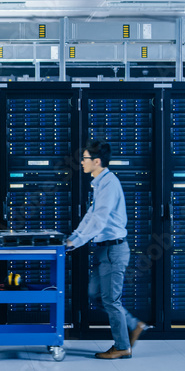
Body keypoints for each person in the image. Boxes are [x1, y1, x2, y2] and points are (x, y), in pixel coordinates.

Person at [66, 139, 149, 359]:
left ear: (96, 161)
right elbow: (90, 217)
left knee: (111, 300)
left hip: (114, 251)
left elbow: (100, 220)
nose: (81, 162)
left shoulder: (109, 184)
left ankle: (122, 347)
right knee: (95, 295)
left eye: (84, 159)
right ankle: (133, 324)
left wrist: (78, 241)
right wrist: (72, 238)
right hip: (104, 251)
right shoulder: (100, 184)